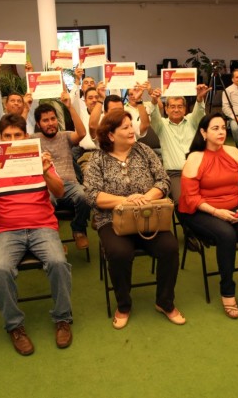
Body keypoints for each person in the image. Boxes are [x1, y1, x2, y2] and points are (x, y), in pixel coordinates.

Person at [0, 114, 73, 355]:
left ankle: (63, 318)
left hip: (43, 227)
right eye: (7, 136)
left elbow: (60, 193)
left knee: (59, 262)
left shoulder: (40, 160)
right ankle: (15, 326)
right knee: (0, 270)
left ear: (26, 137)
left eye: (17, 135)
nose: (12, 140)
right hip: (8, 231)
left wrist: (47, 172)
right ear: (0, 138)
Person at [83, 110, 184, 329]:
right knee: (119, 253)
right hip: (111, 220)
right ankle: (124, 305)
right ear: (111, 135)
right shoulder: (98, 158)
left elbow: (164, 181)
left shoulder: (144, 150)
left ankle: (165, 302)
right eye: (126, 127)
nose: (132, 130)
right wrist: (126, 200)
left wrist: (146, 198)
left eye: (132, 125)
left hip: (148, 215)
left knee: (169, 247)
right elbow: (91, 195)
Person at [177, 113, 238, 320]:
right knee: (227, 236)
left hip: (235, 206)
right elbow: (191, 197)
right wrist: (217, 212)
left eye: (223, 127)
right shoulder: (194, 158)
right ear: (203, 133)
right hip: (202, 210)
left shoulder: (233, 152)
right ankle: (228, 291)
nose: (221, 131)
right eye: (215, 128)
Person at [32, 99, 91, 250]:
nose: (51, 123)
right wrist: (26, 107)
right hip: (47, 185)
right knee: (45, 201)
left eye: (53, 119)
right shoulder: (33, 140)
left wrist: (70, 106)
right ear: (38, 124)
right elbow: (16, 139)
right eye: (45, 120)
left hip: (69, 184)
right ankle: (53, 238)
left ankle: (78, 230)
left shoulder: (65, 136)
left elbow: (82, 133)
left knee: (84, 196)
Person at [149, 84, 209, 201]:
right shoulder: (161, 125)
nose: (176, 110)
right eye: (172, 107)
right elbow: (154, 116)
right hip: (175, 173)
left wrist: (200, 99)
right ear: (166, 109)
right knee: (182, 200)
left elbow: (199, 113)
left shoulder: (192, 120)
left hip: (198, 169)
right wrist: (154, 101)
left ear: (185, 109)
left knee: (209, 196)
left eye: (180, 106)